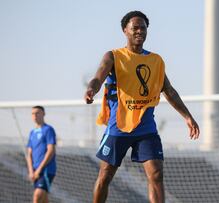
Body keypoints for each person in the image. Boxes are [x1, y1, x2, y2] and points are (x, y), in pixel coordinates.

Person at [84, 11, 200, 203]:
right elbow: (98, 78)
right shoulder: (113, 56)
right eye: (135, 28)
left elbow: (169, 91)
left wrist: (187, 117)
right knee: (105, 176)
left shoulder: (156, 61)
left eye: (143, 28)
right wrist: (91, 89)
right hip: (118, 127)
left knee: (156, 174)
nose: (139, 31)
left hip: (145, 127)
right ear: (125, 31)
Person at [25, 106, 57, 203]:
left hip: (46, 170)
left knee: (37, 196)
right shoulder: (32, 132)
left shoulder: (48, 130)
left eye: (37, 113)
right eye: (33, 113)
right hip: (35, 171)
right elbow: (29, 153)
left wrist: (39, 169)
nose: (35, 115)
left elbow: (51, 151)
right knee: (43, 200)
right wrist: (31, 171)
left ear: (43, 114)